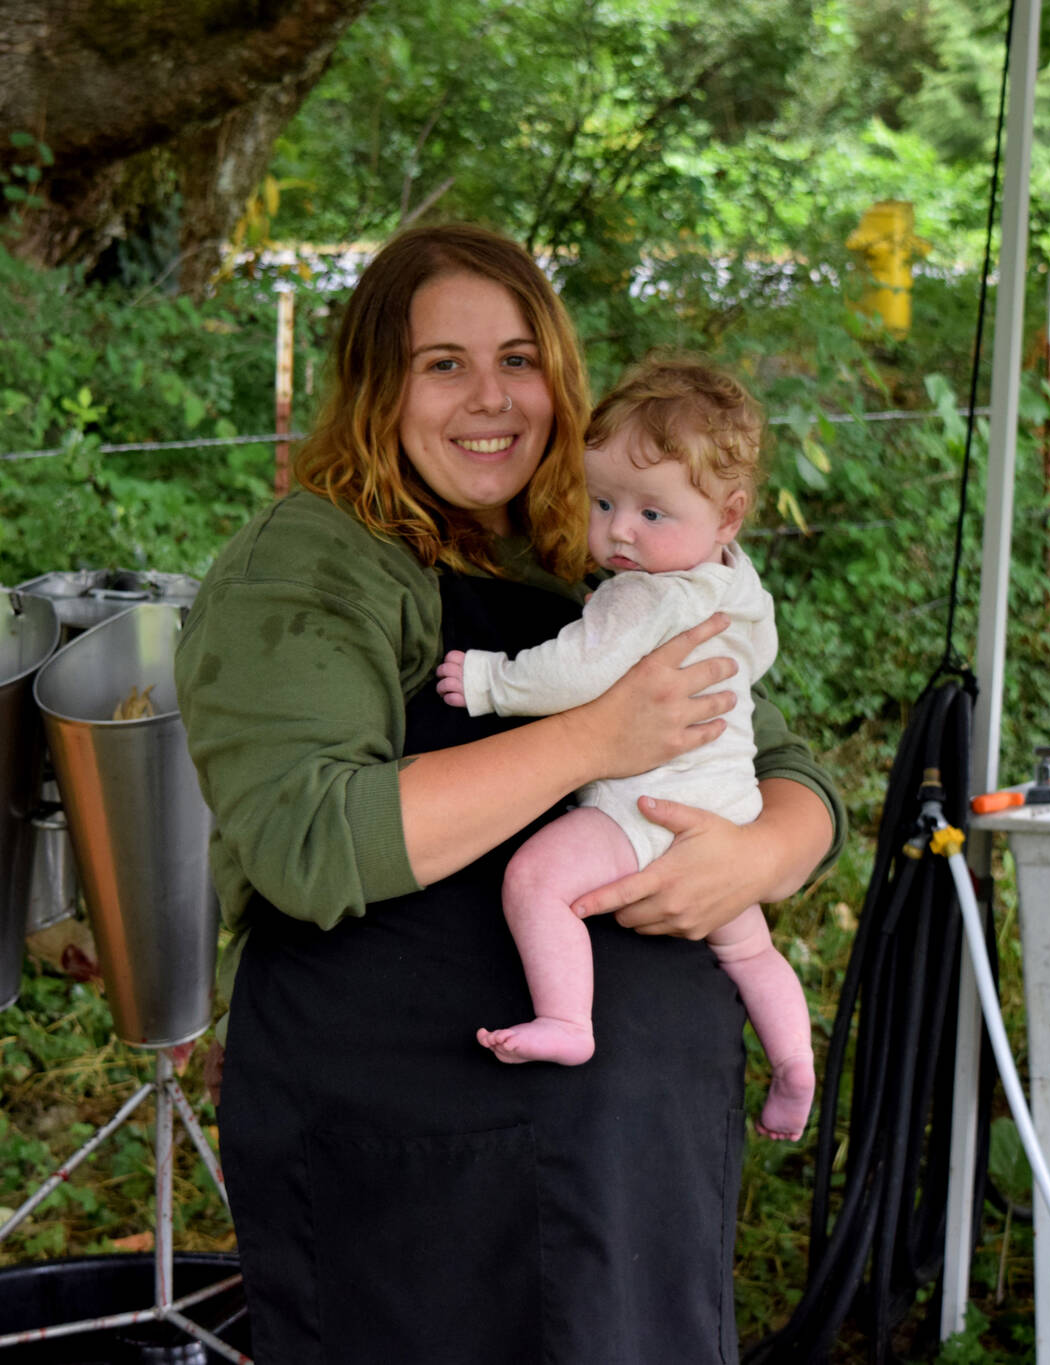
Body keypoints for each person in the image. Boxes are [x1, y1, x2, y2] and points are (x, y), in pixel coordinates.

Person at [174, 222, 845, 1365]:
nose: (489, 398)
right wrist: (591, 735)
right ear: (378, 385)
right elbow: (308, 838)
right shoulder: (309, 566)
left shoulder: (599, 551)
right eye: (444, 363)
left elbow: (784, 768)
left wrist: (757, 861)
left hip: (633, 1158)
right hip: (419, 1157)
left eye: (518, 360)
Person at [436, 358, 815, 1143]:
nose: (617, 532)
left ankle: (566, 1017)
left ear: (729, 514)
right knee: (748, 948)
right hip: (729, 808)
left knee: (537, 879)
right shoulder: (736, 582)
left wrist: (489, 682)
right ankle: (794, 1061)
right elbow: (759, 659)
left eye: (651, 513)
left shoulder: (641, 595)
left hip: (646, 805)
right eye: (603, 501)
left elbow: (574, 672)